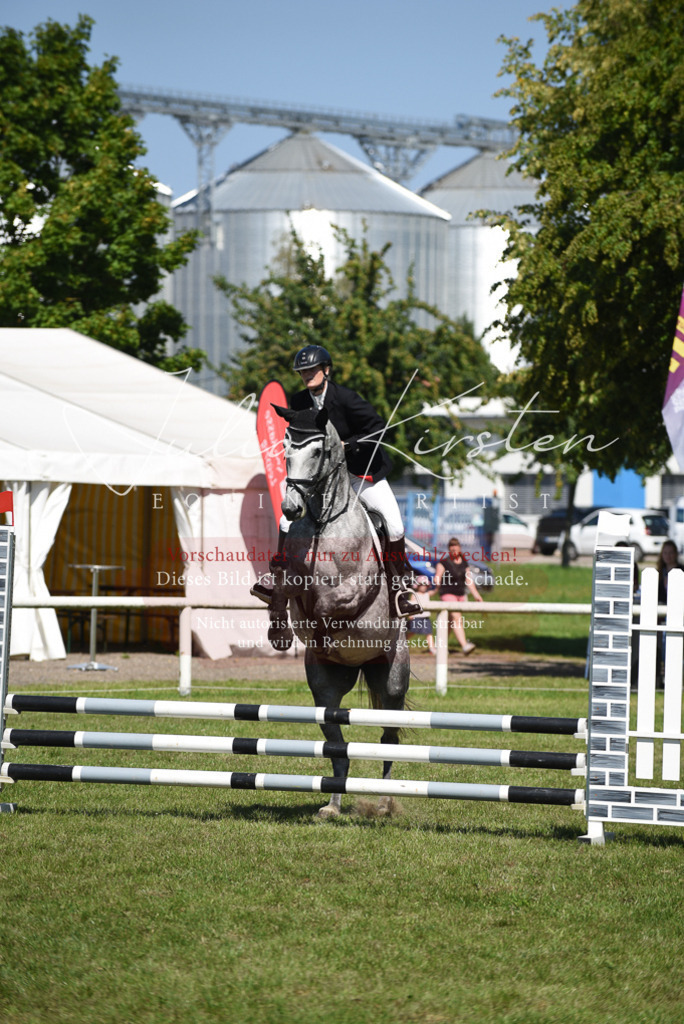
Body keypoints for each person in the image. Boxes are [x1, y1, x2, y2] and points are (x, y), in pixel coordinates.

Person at [251, 344, 421, 616]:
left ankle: (399, 588)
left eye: (311, 370)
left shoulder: (346, 399)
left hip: (360, 473)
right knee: (286, 519)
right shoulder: (299, 402)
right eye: (302, 372)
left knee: (394, 525)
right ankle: (277, 579)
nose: (307, 375)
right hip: (322, 482)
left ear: (326, 370)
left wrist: (349, 445)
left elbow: (378, 427)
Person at [430, 537, 483, 655]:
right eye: (451, 546)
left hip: (460, 595)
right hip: (447, 594)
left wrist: (476, 595)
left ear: (459, 547)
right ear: (449, 549)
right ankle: (465, 646)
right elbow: (438, 576)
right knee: (456, 618)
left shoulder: (464, 563)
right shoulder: (444, 562)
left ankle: (440, 647)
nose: (454, 548)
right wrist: (436, 581)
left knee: (450, 623)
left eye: (456, 546)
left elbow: (468, 581)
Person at [405, 576, 436, 654]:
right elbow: (411, 604)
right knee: (412, 632)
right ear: (418, 586)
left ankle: (432, 648)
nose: (423, 587)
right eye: (422, 585)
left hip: (425, 617)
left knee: (429, 633)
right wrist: (410, 615)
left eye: (425, 585)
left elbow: (435, 591)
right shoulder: (414, 594)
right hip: (416, 617)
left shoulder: (427, 594)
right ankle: (402, 643)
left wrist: (438, 585)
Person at [656, 539, 684, 604]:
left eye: (671, 553)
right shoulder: (660, 571)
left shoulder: (682, 570)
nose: (668, 556)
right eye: (665, 553)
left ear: (676, 553)